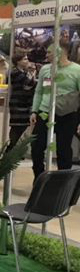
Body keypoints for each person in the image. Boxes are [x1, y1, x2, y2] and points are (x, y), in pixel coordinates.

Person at [29, 41, 80, 178]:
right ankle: (39, 177)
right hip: (45, 112)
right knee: (36, 146)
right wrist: (34, 111)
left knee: (64, 148)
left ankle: (62, 180)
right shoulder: (45, 70)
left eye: (49, 52)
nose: (47, 55)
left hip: (68, 114)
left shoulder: (77, 70)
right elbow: (39, 91)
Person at [7, 53, 36, 151]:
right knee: (17, 128)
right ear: (18, 61)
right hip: (17, 104)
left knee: (22, 127)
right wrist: (33, 73)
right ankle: (10, 150)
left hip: (24, 104)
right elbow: (30, 83)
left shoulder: (23, 72)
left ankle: (15, 150)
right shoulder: (15, 72)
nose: (27, 61)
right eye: (24, 59)